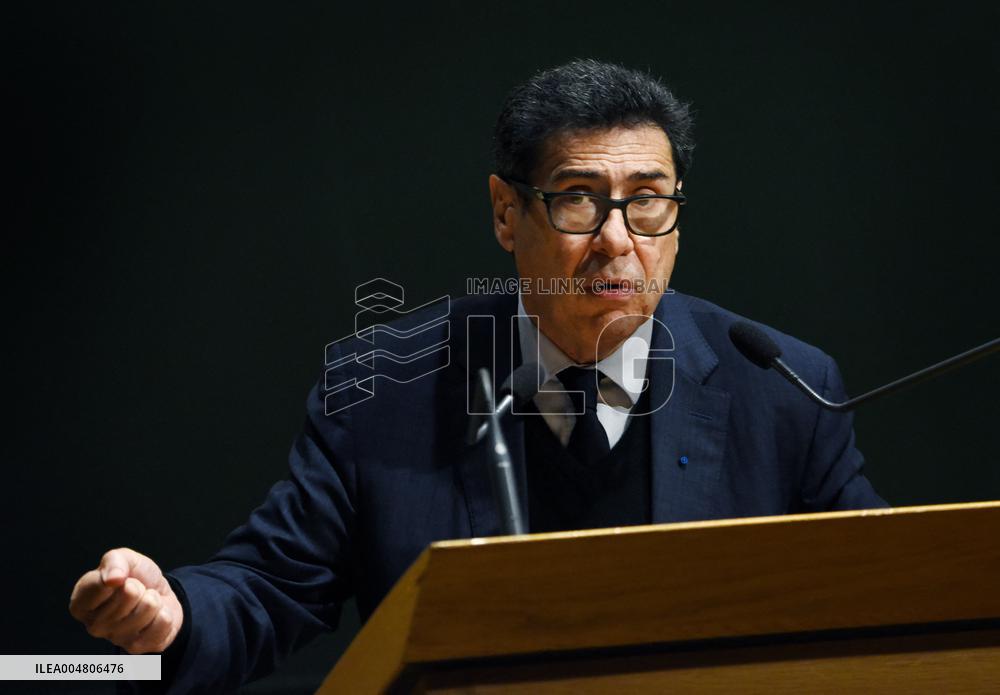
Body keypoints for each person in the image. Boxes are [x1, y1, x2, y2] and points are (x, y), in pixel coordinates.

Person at [68, 59, 886, 691]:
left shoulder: (783, 389)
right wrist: (172, 614)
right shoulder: (383, 387)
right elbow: (268, 586)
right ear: (506, 212)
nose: (617, 239)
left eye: (648, 201)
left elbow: (886, 598)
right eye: (577, 200)